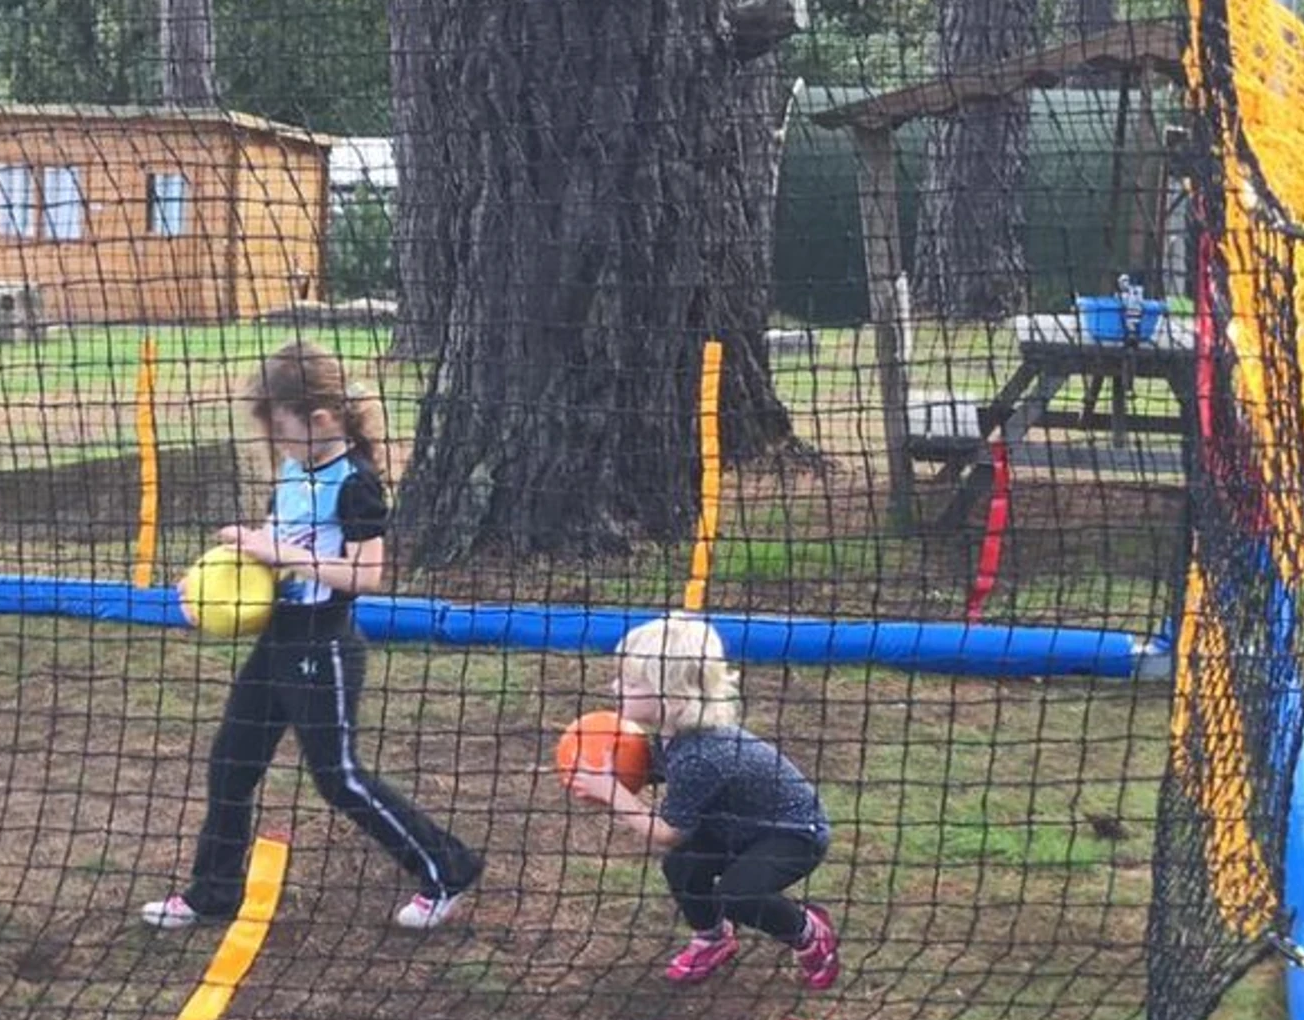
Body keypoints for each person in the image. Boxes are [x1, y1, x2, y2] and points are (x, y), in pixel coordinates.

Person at [140, 341, 482, 932]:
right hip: (277, 640)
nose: (276, 442)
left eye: (282, 428)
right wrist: (212, 584)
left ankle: (446, 869)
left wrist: (281, 553)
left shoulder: (355, 483)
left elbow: (365, 576)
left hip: (323, 646)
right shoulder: (294, 472)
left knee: (337, 776)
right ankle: (213, 893)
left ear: (320, 419)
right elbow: (270, 562)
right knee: (231, 763)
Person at [562, 612, 838, 987]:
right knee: (682, 867)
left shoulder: (701, 754)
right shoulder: (671, 733)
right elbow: (656, 771)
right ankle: (713, 937)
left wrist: (611, 790)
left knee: (740, 894)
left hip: (791, 833)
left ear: (672, 694)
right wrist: (606, 768)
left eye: (630, 682)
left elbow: (668, 833)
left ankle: (809, 933)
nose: (615, 687)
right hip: (733, 824)